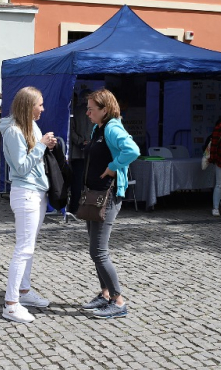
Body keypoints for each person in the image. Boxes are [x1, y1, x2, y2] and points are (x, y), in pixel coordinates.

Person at [79, 89, 140, 319]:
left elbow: (133, 150)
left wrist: (114, 166)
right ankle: (105, 294)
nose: (87, 113)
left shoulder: (113, 127)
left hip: (108, 196)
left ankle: (118, 301)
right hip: (95, 195)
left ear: (105, 110)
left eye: (91, 109)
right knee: (95, 251)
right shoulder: (99, 128)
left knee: (99, 251)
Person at [0, 86, 58, 323]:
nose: (43, 108)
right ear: (28, 106)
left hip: (36, 191)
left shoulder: (30, 126)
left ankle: (23, 292)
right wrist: (42, 146)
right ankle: (11, 304)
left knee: (29, 247)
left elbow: (33, 155)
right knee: (24, 249)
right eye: (39, 104)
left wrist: (46, 146)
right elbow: (21, 167)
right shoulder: (13, 131)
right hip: (25, 193)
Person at [68, 90, 93, 214]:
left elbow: (70, 131)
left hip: (78, 152)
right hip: (90, 151)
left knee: (77, 182)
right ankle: (88, 206)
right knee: (86, 181)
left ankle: (75, 207)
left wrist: (80, 141)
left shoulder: (75, 112)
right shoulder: (97, 112)